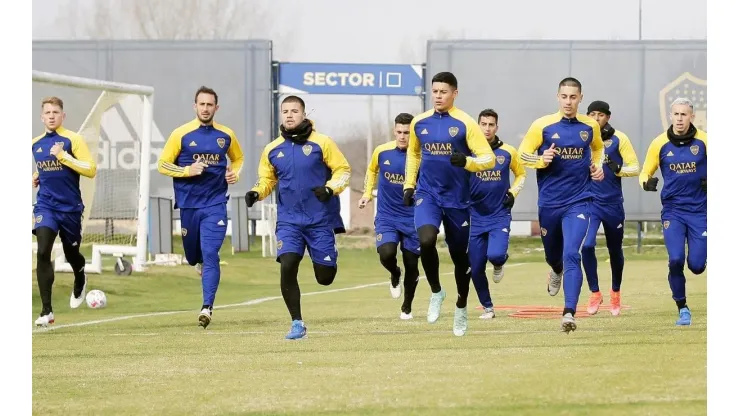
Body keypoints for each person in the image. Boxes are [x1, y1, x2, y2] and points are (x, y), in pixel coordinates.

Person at [247, 95, 351, 340]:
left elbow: (343, 170)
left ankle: (329, 256)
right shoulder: (272, 149)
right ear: (281, 115)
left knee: (325, 278)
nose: (289, 115)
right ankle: (297, 323)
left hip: (319, 220)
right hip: (289, 221)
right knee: (288, 265)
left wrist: (330, 188)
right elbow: (267, 179)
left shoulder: (322, 143)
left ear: (304, 114)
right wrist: (256, 192)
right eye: (285, 111)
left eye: (294, 111)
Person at [403, 71, 495, 337]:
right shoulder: (419, 122)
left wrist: (466, 162)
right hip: (428, 194)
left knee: (459, 258)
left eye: (443, 92)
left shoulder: (465, 123)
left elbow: (488, 159)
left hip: (457, 200)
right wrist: (410, 184)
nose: (438, 96)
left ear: (455, 93)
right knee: (426, 241)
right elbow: (413, 153)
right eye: (435, 91)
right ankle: (436, 291)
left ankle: (462, 305)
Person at [517, 77, 605, 333]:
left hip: (579, 201)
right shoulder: (542, 125)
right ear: (558, 97)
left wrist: (597, 167)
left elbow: (598, 150)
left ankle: (569, 312)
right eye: (564, 97)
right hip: (550, 204)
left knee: (572, 254)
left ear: (580, 98)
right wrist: (541, 159)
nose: (568, 102)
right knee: (554, 256)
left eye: (573, 97)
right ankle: (554, 270)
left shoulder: (590, 126)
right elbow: (522, 154)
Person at [157, 86, 244, 329]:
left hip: (215, 203)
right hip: (188, 205)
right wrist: (187, 170)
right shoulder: (181, 134)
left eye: (210, 105)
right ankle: (197, 264)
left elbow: (238, 158)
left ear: (217, 108)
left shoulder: (226, 135)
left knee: (211, 253)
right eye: (201, 104)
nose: (206, 108)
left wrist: (234, 173)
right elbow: (162, 165)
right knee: (193, 256)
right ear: (195, 106)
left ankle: (207, 307)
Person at [639, 97, 706, 326]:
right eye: (676, 114)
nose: (679, 118)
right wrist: (646, 182)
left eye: (684, 114)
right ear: (670, 116)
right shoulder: (659, 143)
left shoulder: (705, 141)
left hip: (700, 211)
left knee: (696, 266)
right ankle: (682, 307)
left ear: (692, 117)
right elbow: (644, 173)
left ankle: (700, 257)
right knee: (675, 259)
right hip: (673, 211)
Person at [32, 96, 97, 327]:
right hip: (46, 206)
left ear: (63, 116)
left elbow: (90, 170)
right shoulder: (35, 144)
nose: (51, 116)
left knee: (72, 254)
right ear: (41, 117)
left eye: (55, 112)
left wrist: (64, 157)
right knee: (42, 251)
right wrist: (37, 175)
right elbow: (45, 169)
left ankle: (80, 276)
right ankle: (46, 311)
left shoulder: (73, 140)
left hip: (70, 209)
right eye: (47, 112)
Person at [359, 113, 421, 320]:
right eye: (399, 132)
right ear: (394, 131)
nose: (403, 136)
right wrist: (367, 194)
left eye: (407, 133)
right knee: (386, 253)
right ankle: (395, 273)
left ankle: (407, 307)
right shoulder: (382, 151)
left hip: (413, 217)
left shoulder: (420, 156)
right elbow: (371, 171)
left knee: (412, 264)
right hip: (387, 216)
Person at [583, 100, 640, 316]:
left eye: (601, 115)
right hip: (589, 203)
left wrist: (619, 169)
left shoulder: (619, 138)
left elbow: (635, 167)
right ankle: (595, 292)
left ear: (608, 117)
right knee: (586, 246)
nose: (596, 119)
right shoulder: (581, 138)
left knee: (614, 250)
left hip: (613, 204)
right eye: (592, 114)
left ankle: (615, 291)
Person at [469, 109, 526, 319]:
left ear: (496, 127)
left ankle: (499, 263)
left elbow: (521, 174)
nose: (487, 128)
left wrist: (513, 193)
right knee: (475, 268)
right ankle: (488, 308)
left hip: (499, 214)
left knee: (495, 255)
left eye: (491, 125)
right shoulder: (469, 152)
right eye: (483, 124)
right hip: (474, 216)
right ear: (478, 126)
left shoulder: (508, 152)